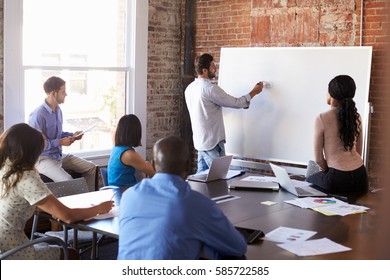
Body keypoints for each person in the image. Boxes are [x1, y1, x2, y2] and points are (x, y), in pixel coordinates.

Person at [117, 135, 247, 260]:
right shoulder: (196, 204)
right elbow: (238, 247)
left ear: (153, 164)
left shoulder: (129, 196)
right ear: (188, 165)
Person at [0, 123, 113, 260]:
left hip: (3, 245)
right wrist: (99, 208)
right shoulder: (26, 176)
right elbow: (68, 216)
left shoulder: (5, 168)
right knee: (71, 254)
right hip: (12, 251)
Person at [185, 53, 264, 173]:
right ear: (205, 70)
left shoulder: (189, 89)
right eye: (212, 66)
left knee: (200, 181)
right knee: (221, 178)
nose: (215, 68)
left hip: (201, 143)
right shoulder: (210, 89)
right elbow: (236, 103)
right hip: (213, 143)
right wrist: (254, 92)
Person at [29, 76, 97, 192]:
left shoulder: (58, 110)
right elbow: (38, 144)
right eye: (63, 91)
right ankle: (77, 207)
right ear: (54, 93)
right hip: (43, 159)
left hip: (58, 155)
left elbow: (58, 134)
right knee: (70, 182)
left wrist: (72, 135)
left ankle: (89, 199)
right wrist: (61, 142)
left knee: (91, 168)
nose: (66, 94)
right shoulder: (38, 115)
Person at [306, 75, 369, 196]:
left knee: (310, 178)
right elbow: (359, 152)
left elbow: (319, 159)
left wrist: (326, 171)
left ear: (332, 94)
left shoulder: (322, 118)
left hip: (337, 179)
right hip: (361, 177)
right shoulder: (357, 117)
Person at [107, 114, 155, 188]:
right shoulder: (128, 154)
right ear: (135, 132)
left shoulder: (117, 149)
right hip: (123, 193)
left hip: (116, 191)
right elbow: (153, 172)